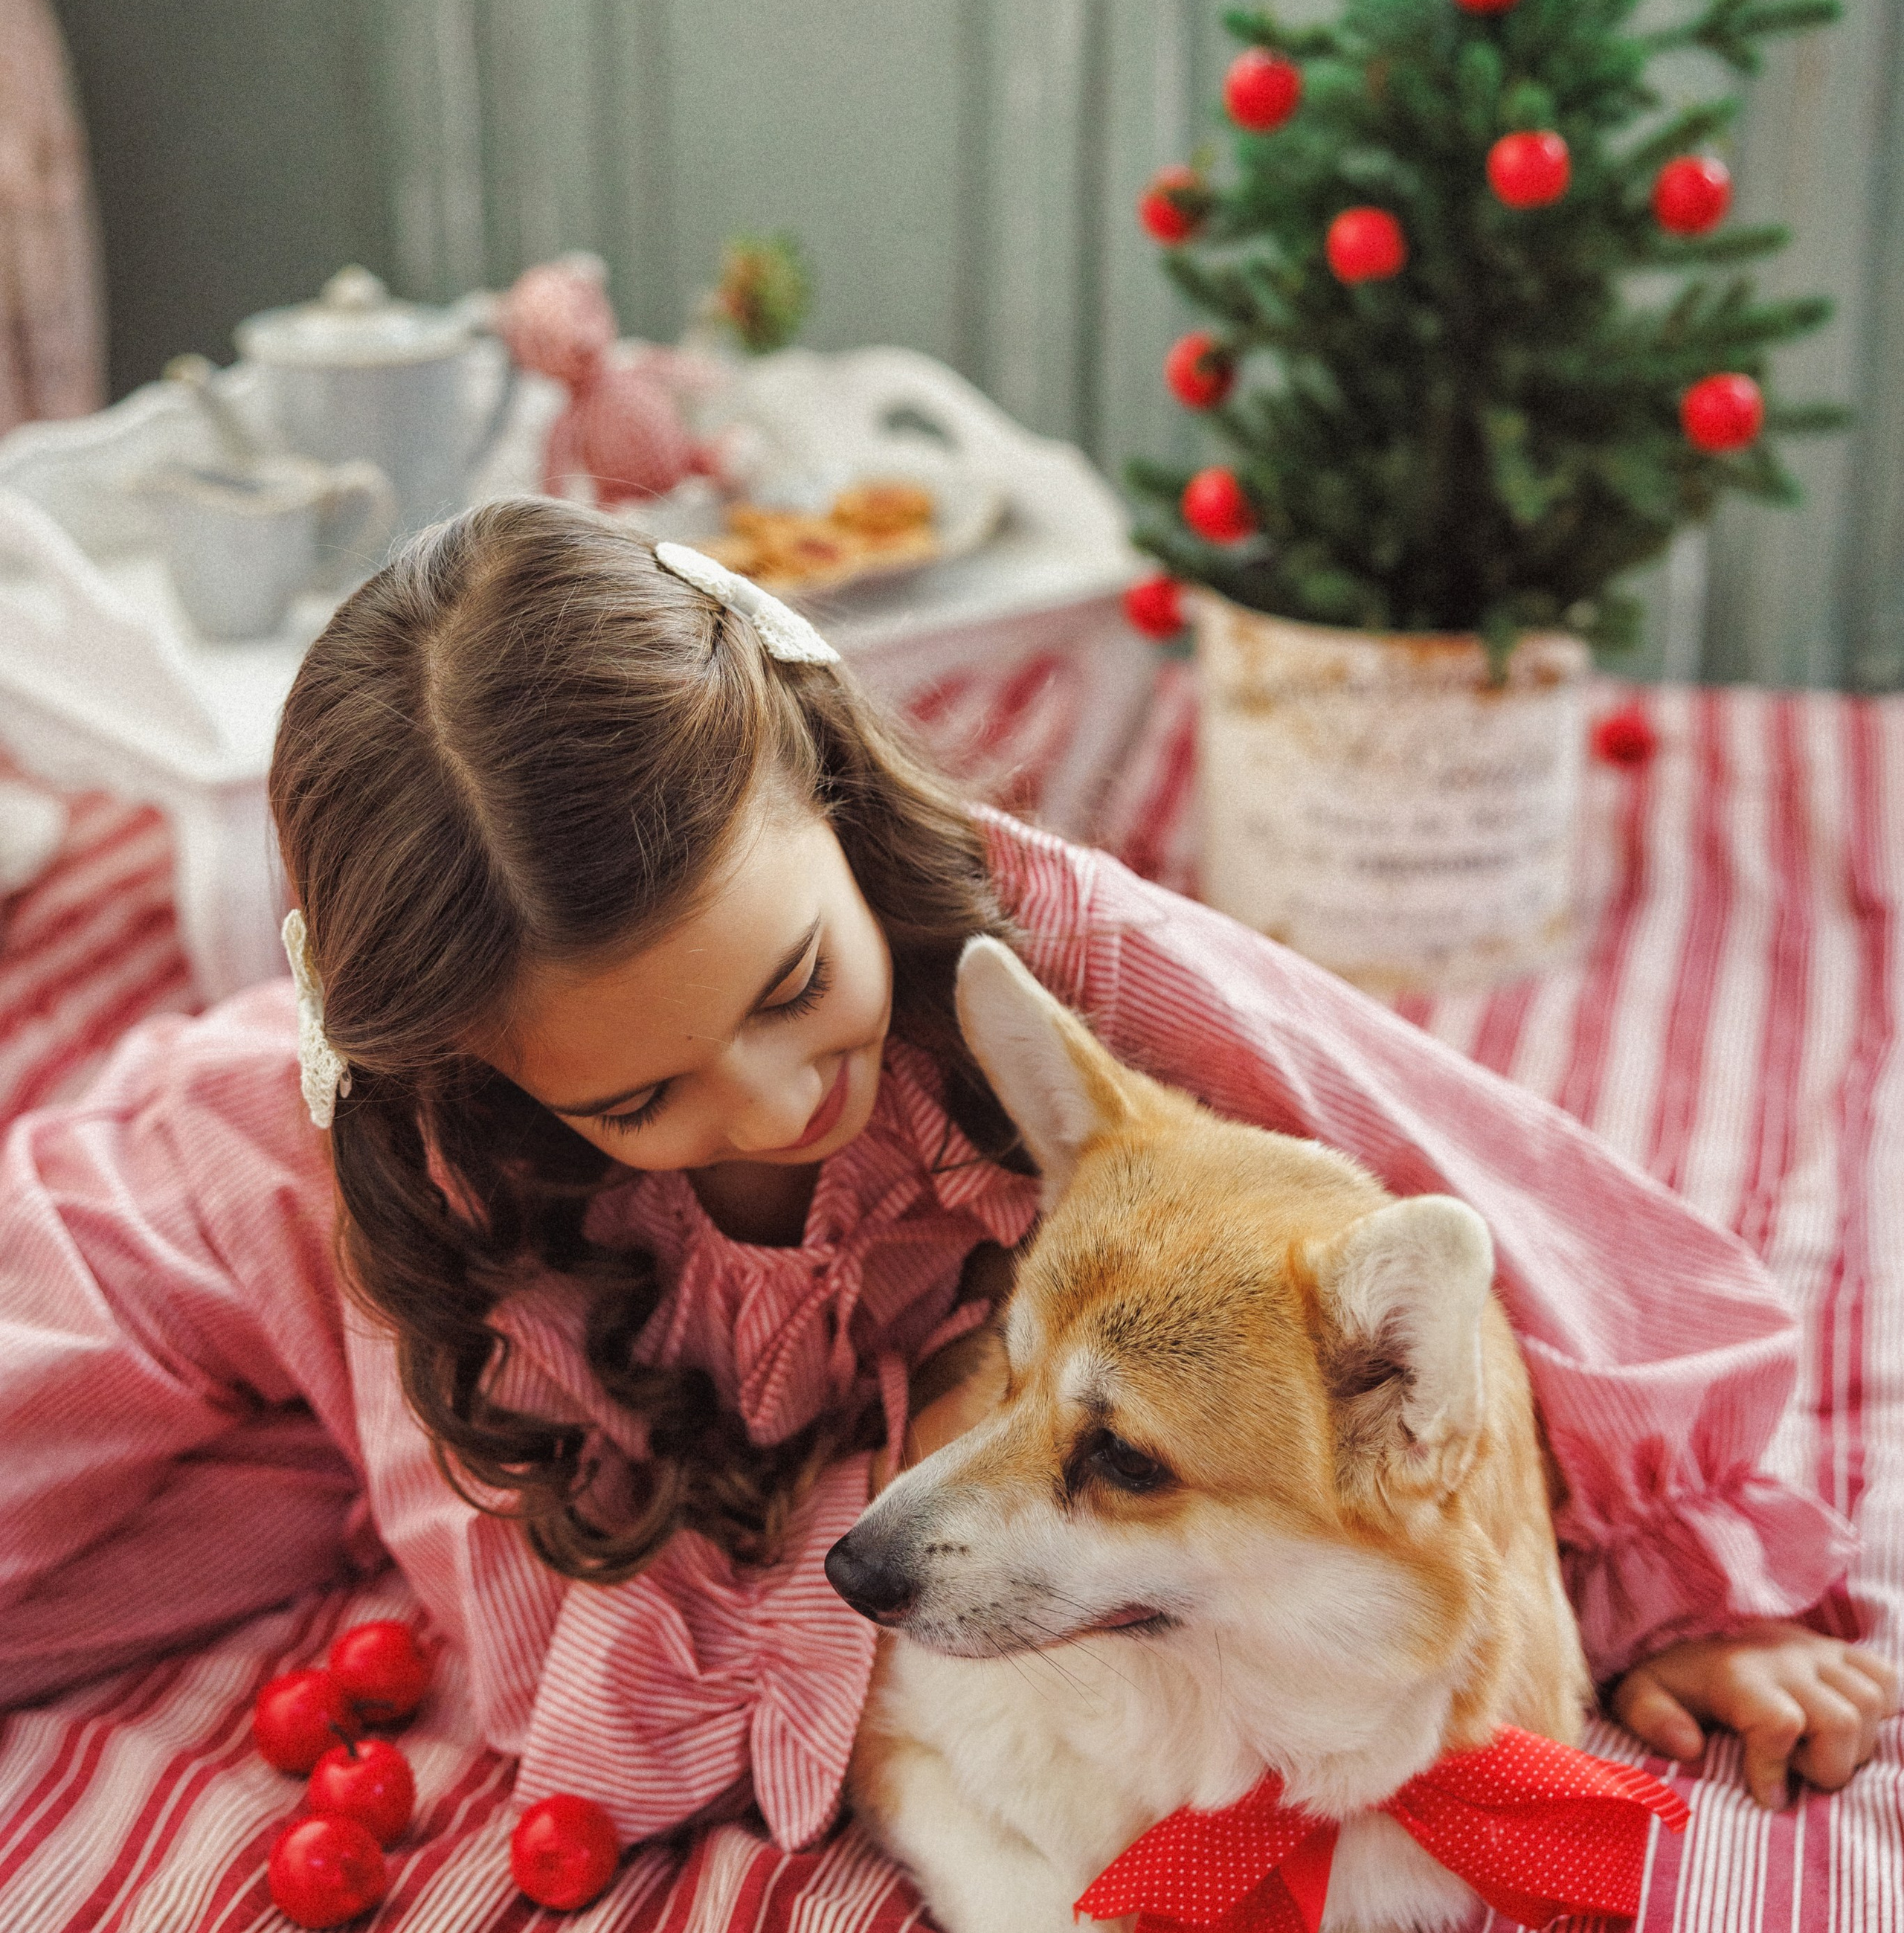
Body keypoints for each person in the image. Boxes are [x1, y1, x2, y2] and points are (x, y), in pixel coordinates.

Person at [0, 501, 1893, 1842]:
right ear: (502, 1078)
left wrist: (1684, 1568)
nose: (759, 1106)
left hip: (397, 1413)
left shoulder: (1039, 953)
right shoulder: (439, 1177)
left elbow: (1470, 1181)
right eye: (640, 1095)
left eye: (793, 988)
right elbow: (553, 1665)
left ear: (822, 792)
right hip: (220, 1220)